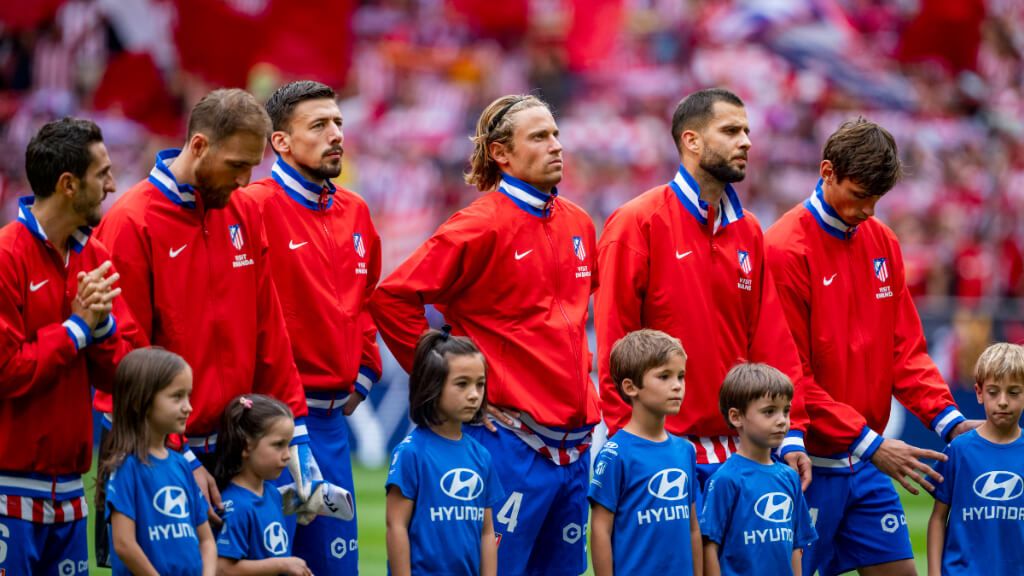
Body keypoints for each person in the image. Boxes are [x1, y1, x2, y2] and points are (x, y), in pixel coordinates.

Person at [370, 94, 598, 575]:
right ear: (501, 153)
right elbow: (393, 297)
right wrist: (443, 383)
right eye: (539, 137)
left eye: (556, 134)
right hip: (508, 442)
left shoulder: (579, 221)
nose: (556, 145)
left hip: (575, 449)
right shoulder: (478, 224)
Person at [91, 89, 316, 525]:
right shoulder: (130, 222)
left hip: (236, 449)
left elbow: (269, 330)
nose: (245, 180)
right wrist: (180, 456)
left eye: (252, 166)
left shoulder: (243, 211)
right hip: (153, 452)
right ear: (199, 145)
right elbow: (129, 360)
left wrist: (298, 436)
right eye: (236, 165)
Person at [764, 118, 976, 576]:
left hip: (864, 462)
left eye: (877, 199)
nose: (868, 210)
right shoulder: (784, 249)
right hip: (805, 464)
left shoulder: (882, 240)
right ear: (827, 171)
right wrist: (871, 444)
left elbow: (905, 351)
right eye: (860, 195)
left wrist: (951, 421)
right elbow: (788, 376)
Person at [595, 87, 811, 488]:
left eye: (746, 131)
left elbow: (771, 340)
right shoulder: (636, 222)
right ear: (691, 141)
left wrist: (792, 429)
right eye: (730, 131)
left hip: (741, 452)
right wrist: (629, 438)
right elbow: (614, 342)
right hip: (661, 449)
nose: (746, 142)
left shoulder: (749, 229)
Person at [243, 79, 381, 574]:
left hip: (330, 424)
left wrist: (365, 371)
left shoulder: (356, 210)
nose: (336, 134)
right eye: (319, 125)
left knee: (334, 568)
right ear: (280, 141)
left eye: (338, 123)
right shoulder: (251, 207)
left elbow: (367, 300)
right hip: (264, 424)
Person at [0, 117, 138, 575]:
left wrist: (101, 330)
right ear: (68, 184)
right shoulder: (6, 256)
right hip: (9, 490)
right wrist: (77, 328)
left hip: (71, 493)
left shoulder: (94, 256)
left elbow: (117, 376)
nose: (112, 185)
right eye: (103, 174)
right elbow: (8, 371)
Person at [385, 327, 503, 576]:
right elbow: (396, 526)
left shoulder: (481, 456)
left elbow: (487, 532)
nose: (474, 395)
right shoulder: (411, 453)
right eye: (462, 384)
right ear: (433, 386)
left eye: (480, 384)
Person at [589, 329, 701, 576]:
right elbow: (600, 530)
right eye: (664, 376)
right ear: (631, 387)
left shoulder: (685, 451)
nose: (677, 386)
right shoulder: (615, 454)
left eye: (681, 376)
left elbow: (693, 528)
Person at [99, 348, 215, 576]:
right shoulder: (126, 468)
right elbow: (124, 544)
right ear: (139, 401)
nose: (188, 407)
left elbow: (207, 541)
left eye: (188, 396)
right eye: (177, 396)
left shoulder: (182, 465)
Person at [701, 363, 816, 576]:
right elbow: (709, 546)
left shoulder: (790, 477)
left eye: (786, 411)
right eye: (769, 411)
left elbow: (796, 546)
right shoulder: (725, 479)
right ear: (736, 417)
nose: (782, 421)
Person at [927, 343, 1024, 575]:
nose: (1003, 401)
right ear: (979, 393)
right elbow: (938, 518)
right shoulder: (959, 450)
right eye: (993, 392)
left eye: (1013, 392)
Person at [214, 395, 312, 576]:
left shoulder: (272, 493)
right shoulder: (236, 506)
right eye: (278, 445)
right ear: (246, 447)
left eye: (288, 445)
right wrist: (282, 565)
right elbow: (222, 569)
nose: (287, 455)